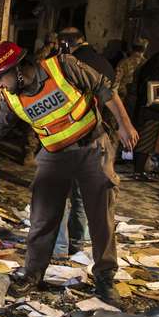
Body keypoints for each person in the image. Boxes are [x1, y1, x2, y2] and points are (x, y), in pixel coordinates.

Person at [0, 41, 138, 305]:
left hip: (92, 146)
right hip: (54, 154)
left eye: (0, 78)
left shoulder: (63, 67)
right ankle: (32, 275)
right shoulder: (11, 98)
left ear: (17, 70)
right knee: (42, 217)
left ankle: (105, 280)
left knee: (101, 217)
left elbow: (104, 89)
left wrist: (125, 125)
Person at [54, 28, 116, 255]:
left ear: (65, 44)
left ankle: (59, 246)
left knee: (59, 194)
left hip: (69, 135)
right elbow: (112, 97)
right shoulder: (105, 64)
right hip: (96, 134)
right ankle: (78, 243)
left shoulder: (68, 64)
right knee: (82, 194)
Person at [132, 51, 159, 180]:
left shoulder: (146, 70)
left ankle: (137, 169)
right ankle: (139, 172)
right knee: (146, 143)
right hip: (154, 113)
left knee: (140, 140)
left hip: (141, 110)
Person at [113, 37, 149, 121]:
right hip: (137, 99)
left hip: (123, 96)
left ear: (132, 48)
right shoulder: (147, 64)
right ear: (144, 49)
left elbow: (116, 81)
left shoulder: (124, 62)